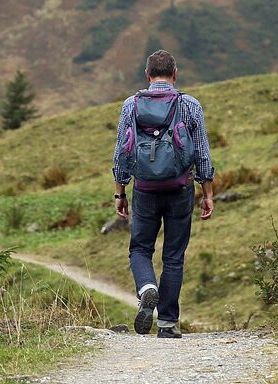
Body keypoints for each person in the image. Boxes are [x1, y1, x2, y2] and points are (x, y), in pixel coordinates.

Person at [112, 50, 214, 338]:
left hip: (144, 189)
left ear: (147, 75)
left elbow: (121, 152)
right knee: (173, 255)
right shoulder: (190, 105)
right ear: (175, 74)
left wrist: (120, 192)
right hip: (180, 188)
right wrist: (207, 192)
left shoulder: (131, 105)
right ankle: (167, 323)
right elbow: (203, 154)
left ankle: (147, 287)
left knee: (140, 248)